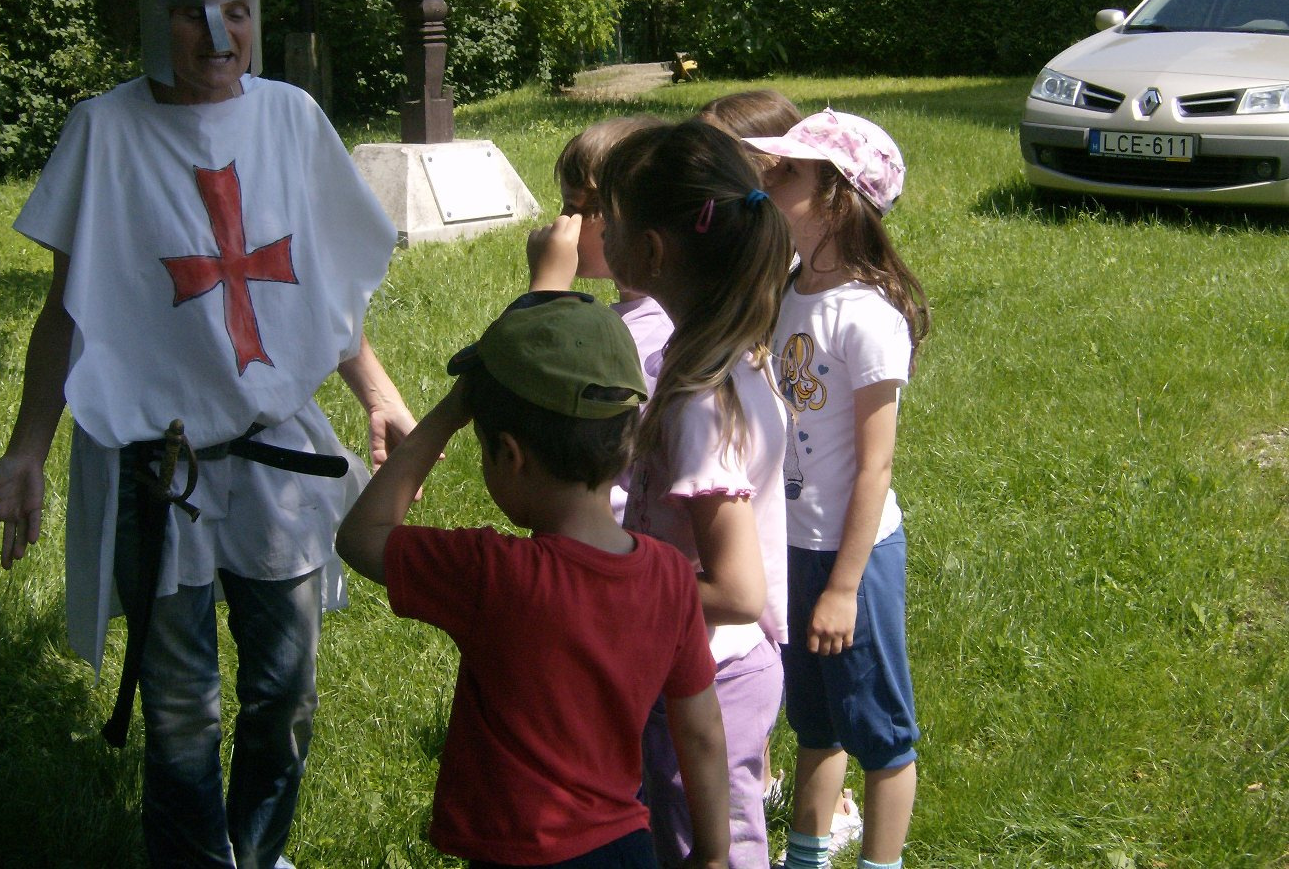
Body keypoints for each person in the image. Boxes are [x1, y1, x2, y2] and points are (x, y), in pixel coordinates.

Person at [0, 0, 413, 869]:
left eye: (236, 11)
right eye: (193, 14)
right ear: (152, 20)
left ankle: (256, 850)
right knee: (180, 710)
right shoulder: (104, 133)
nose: (219, 34)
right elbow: (74, 306)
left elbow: (315, 288)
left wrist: (373, 390)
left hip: (275, 452)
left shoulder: (288, 117)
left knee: (284, 692)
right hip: (155, 464)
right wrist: (27, 445)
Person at [335, 291, 731, 869]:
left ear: (510, 456)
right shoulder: (671, 578)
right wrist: (715, 855)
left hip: (518, 856)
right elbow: (701, 732)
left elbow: (362, 536)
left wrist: (449, 413)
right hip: (627, 848)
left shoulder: (494, 576)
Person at [595, 120, 793, 869]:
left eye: (610, 220)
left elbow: (736, 589)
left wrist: (616, 570)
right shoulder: (729, 354)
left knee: (707, 851)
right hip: (704, 666)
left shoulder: (697, 399)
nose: (599, 234)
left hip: (706, 674)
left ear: (650, 251)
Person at [745, 110, 929, 869]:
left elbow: (873, 467)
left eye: (787, 171)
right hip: (789, 547)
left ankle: (881, 864)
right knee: (813, 722)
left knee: (881, 730)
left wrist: (845, 587)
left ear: (836, 198)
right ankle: (806, 857)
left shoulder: (867, 318)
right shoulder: (786, 291)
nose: (769, 177)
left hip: (853, 558)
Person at [525, 115, 670, 520]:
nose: (561, 222)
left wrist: (546, 290)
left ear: (621, 220)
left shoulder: (639, 339)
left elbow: (536, 410)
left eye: (574, 208)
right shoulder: (641, 322)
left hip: (610, 539)